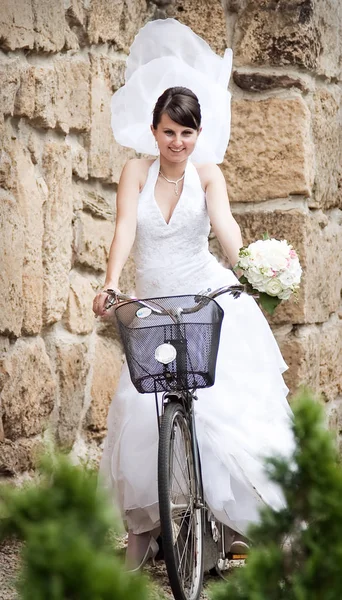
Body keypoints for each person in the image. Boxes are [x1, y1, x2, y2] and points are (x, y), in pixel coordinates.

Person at [93, 19, 294, 571]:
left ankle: (225, 526)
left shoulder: (208, 175)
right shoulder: (134, 171)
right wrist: (111, 282)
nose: (177, 143)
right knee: (142, 411)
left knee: (222, 414)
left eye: (187, 134)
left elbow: (225, 229)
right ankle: (146, 531)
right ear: (153, 131)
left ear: (197, 136)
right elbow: (125, 231)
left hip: (204, 295)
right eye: (168, 132)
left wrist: (248, 267)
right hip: (155, 303)